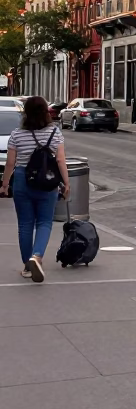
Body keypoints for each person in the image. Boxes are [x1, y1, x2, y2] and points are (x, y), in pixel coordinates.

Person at [0, 95, 71, 282]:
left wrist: (5, 184)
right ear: (46, 112)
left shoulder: (17, 134)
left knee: (25, 224)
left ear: (26, 113)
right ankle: (37, 256)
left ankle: (27, 267)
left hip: (22, 180)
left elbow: (10, 163)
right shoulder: (54, 132)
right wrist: (66, 183)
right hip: (47, 180)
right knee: (44, 222)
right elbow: (60, 160)